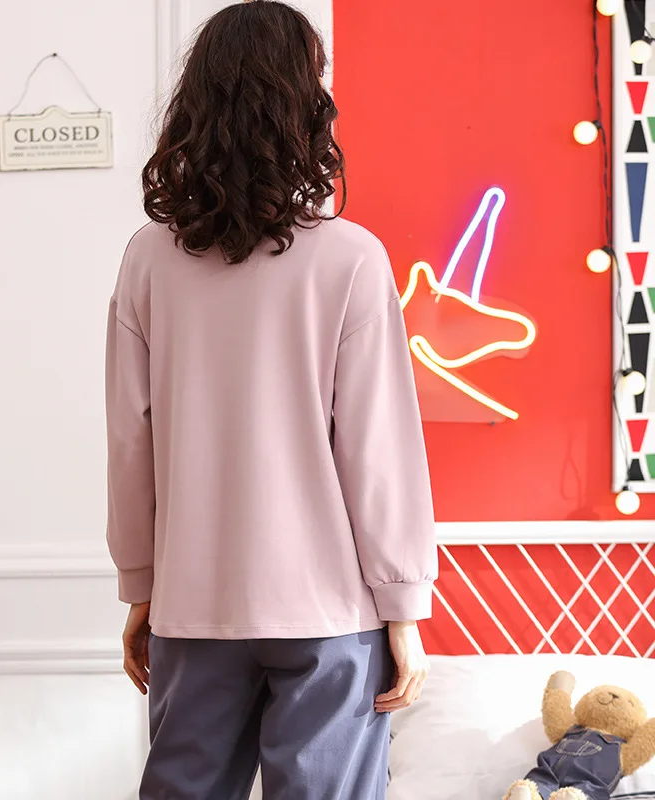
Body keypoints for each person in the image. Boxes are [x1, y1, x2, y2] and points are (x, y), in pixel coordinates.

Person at [104, 2, 438, 798]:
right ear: (306, 104)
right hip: (330, 610)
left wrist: (142, 584)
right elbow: (378, 450)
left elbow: (129, 441)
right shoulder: (352, 259)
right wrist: (404, 606)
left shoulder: (149, 260)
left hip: (193, 600)